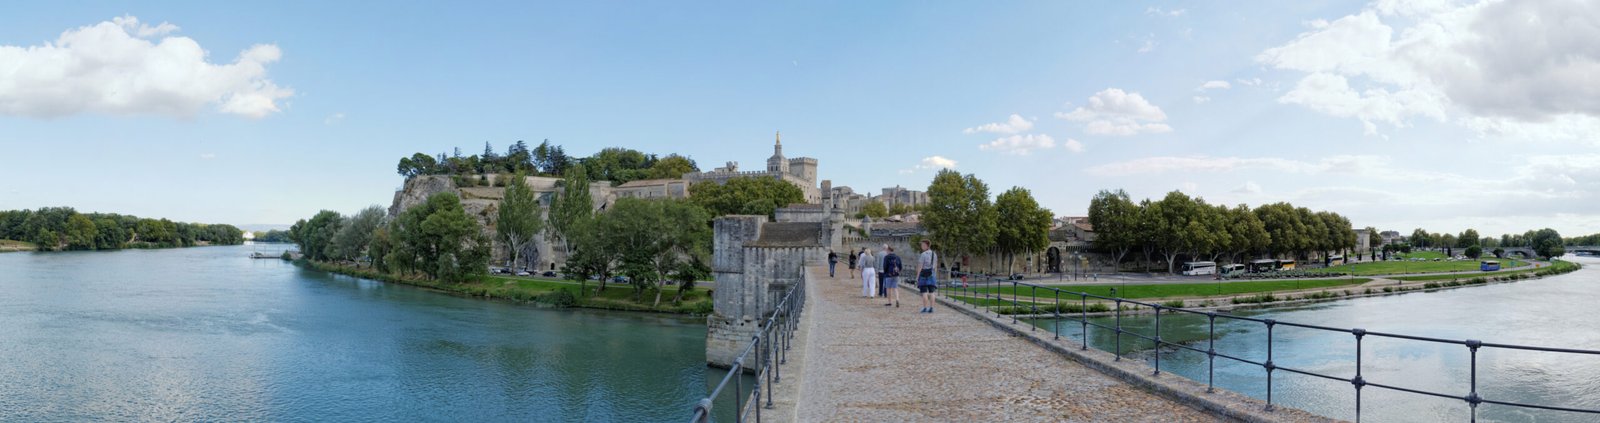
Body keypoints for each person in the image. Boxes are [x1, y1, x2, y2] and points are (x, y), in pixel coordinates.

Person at [916, 239, 938, 313]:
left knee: (924, 292)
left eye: (922, 245)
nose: (921, 246)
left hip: (923, 275)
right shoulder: (934, 254)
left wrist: (917, 276)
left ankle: (925, 308)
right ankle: (932, 308)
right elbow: (935, 266)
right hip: (932, 274)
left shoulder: (923, 254)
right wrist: (935, 275)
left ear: (926, 245)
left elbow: (920, 266)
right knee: (932, 292)